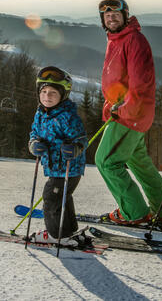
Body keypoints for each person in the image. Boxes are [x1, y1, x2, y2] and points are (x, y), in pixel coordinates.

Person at [95, 0, 162, 225]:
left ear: (125, 15)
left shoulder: (134, 40)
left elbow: (140, 83)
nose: (111, 17)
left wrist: (122, 109)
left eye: (116, 14)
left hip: (129, 115)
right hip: (128, 112)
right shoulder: (116, 39)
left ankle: (134, 213)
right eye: (107, 15)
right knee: (138, 162)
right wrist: (110, 106)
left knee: (106, 161)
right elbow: (117, 81)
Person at [28, 66, 88, 245]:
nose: (47, 96)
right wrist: (34, 144)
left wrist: (75, 147)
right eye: (44, 91)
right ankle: (68, 232)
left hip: (69, 168)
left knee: (51, 198)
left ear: (63, 95)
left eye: (53, 92)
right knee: (62, 197)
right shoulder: (40, 114)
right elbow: (34, 133)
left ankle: (56, 235)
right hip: (54, 168)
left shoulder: (67, 116)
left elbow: (82, 139)